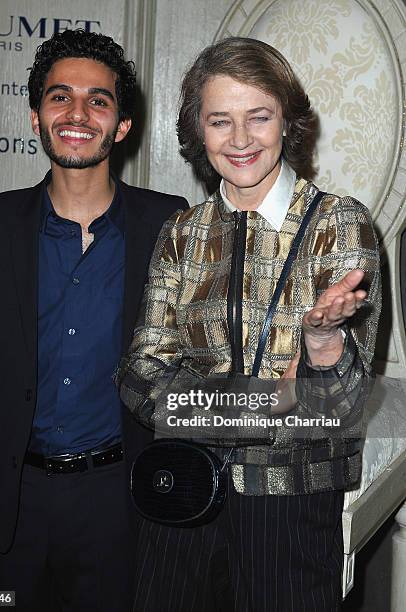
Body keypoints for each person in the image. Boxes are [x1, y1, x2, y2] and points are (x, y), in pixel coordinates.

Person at [117, 37, 381, 611]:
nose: (239, 140)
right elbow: (138, 376)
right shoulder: (181, 232)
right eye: (220, 121)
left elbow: (342, 403)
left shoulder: (340, 224)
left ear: (287, 120)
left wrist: (321, 343)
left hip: (288, 507)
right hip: (180, 494)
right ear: (198, 132)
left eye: (258, 117)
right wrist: (268, 401)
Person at [0, 29, 187, 611]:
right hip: (11, 506)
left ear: (121, 125)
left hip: (120, 504)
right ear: (36, 117)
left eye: (98, 100)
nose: (77, 113)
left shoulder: (167, 222)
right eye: (60, 97)